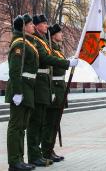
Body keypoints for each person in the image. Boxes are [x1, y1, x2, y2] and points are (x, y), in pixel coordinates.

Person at [27, 14, 78, 167]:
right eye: (44, 23)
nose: (46, 26)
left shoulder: (46, 44)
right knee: (44, 123)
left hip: (52, 87)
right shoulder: (38, 42)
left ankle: (47, 150)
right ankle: (44, 151)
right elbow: (48, 61)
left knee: (50, 122)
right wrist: (67, 63)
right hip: (47, 87)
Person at [6, 14, 38, 171]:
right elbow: (14, 70)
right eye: (31, 24)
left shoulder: (27, 43)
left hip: (27, 88)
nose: (33, 27)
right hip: (20, 89)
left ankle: (19, 159)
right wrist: (17, 92)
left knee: (21, 127)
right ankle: (14, 162)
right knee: (15, 126)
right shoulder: (19, 44)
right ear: (23, 27)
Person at [41, 23, 67, 162]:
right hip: (54, 88)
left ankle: (50, 149)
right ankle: (46, 150)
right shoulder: (50, 50)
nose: (62, 35)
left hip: (60, 88)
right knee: (50, 123)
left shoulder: (56, 49)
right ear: (53, 35)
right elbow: (51, 70)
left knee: (55, 123)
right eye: (59, 33)